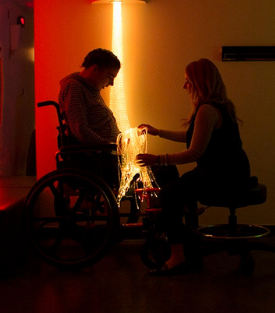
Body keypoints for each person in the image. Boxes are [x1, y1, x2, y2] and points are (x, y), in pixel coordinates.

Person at [137, 58, 252, 276]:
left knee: (169, 194)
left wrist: (158, 159)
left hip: (220, 174)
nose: (184, 86)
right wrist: (158, 132)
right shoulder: (221, 106)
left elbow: (194, 152)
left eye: (187, 81)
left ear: (200, 82)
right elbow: (194, 137)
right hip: (233, 170)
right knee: (181, 186)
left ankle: (178, 257)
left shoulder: (207, 110)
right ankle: (191, 241)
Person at [58, 48, 121, 145]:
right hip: (98, 155)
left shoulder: (90, 90)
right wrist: (109, 146)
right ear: (95, 69)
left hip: (105, 152)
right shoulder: (74, 87)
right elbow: (80, 130)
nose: (112, 83)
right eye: (110, 77)